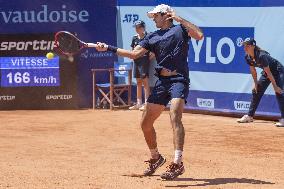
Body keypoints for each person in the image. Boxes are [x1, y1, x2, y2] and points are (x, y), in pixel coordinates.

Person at [95, 4, 203, 180]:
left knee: (175, 115)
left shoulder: (180, 30)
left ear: (165, 15)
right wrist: (108, 47)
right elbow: (133, 54)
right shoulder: (152, 37)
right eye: (152, 16)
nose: (153, 19)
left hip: (179, 79)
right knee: (145, 123)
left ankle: (177, 162)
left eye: (156, 16)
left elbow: (199, 35)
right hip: (161, 81)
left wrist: (178, 18)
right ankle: (156, 158)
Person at [237, 38, 284, 127]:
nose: (245, 47)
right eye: (244, 45)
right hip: (268, 72)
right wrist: (255, 84)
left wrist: (275, 87)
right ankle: (250, 116)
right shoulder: (247, 57)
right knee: (256, 91)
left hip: (278, 71)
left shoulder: (261, 56)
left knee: (279, 93)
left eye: (248, 45)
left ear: (253, 46)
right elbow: (253, 71)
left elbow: (269, 72)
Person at [129, 20, 153, 111]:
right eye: (136, 28)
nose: (137, 29)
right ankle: (139, 103)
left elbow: (153, 50)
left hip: (144, 62)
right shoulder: (134, 38)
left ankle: (147, 103)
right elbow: (132, 50)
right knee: (138, 82)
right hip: (136, 62)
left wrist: (148, 57)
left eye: (138, 27)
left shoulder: (148, 37)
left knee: (145, 82)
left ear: (143, 27)